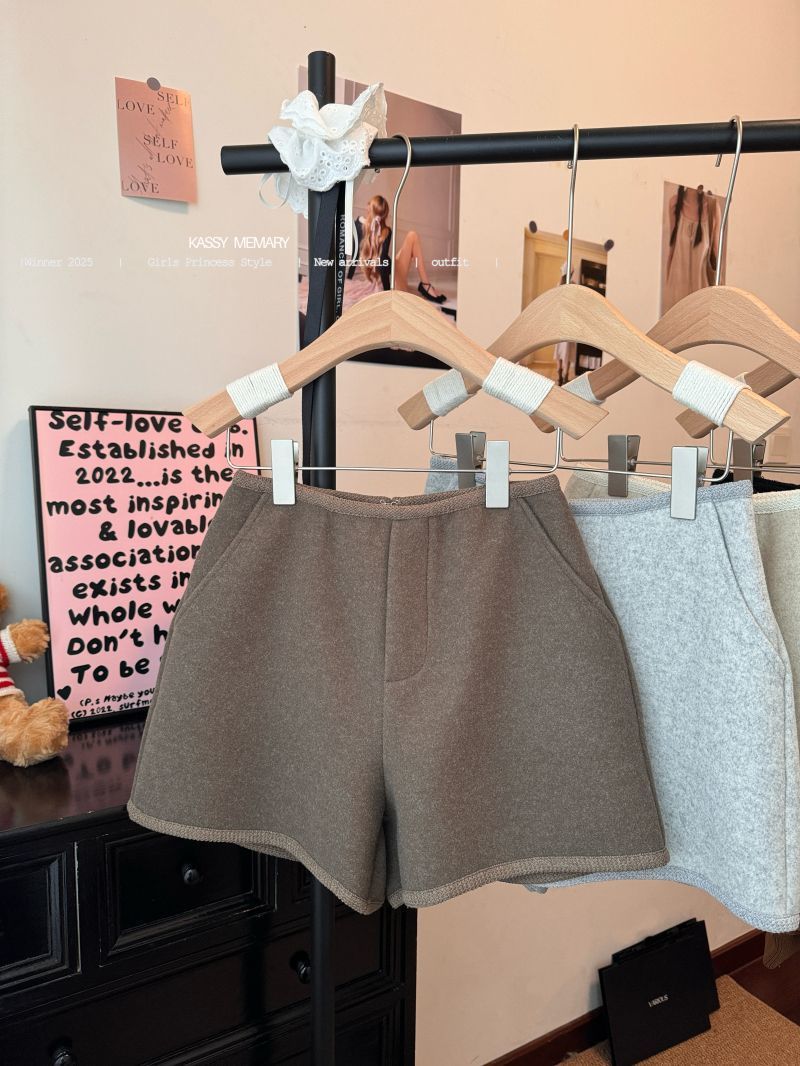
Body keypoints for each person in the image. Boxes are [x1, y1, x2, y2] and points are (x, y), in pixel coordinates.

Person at [349, 194, 447, 302]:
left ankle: (425, 284)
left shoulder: (361, 225)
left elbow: (359, 257)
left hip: (386, 274)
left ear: (369, 208)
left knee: (411, 237)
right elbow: (383, 262)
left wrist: (349, 277)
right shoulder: (384, 230)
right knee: (412, 236)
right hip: (387, 280)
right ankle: (425, 285)